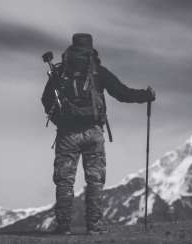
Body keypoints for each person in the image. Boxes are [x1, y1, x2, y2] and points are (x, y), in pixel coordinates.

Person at [41, 33, 155, 235]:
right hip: (94, 132)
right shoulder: (98, 72)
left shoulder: (59, 72)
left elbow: (46, 100)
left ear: (72, 47)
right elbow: (123, 94)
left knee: (65, 181)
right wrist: (146, 95)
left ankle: (63, 227)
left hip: (67, 134)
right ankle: (95, 227)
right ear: (91, 48)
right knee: (95, 181)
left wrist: (62, 121)